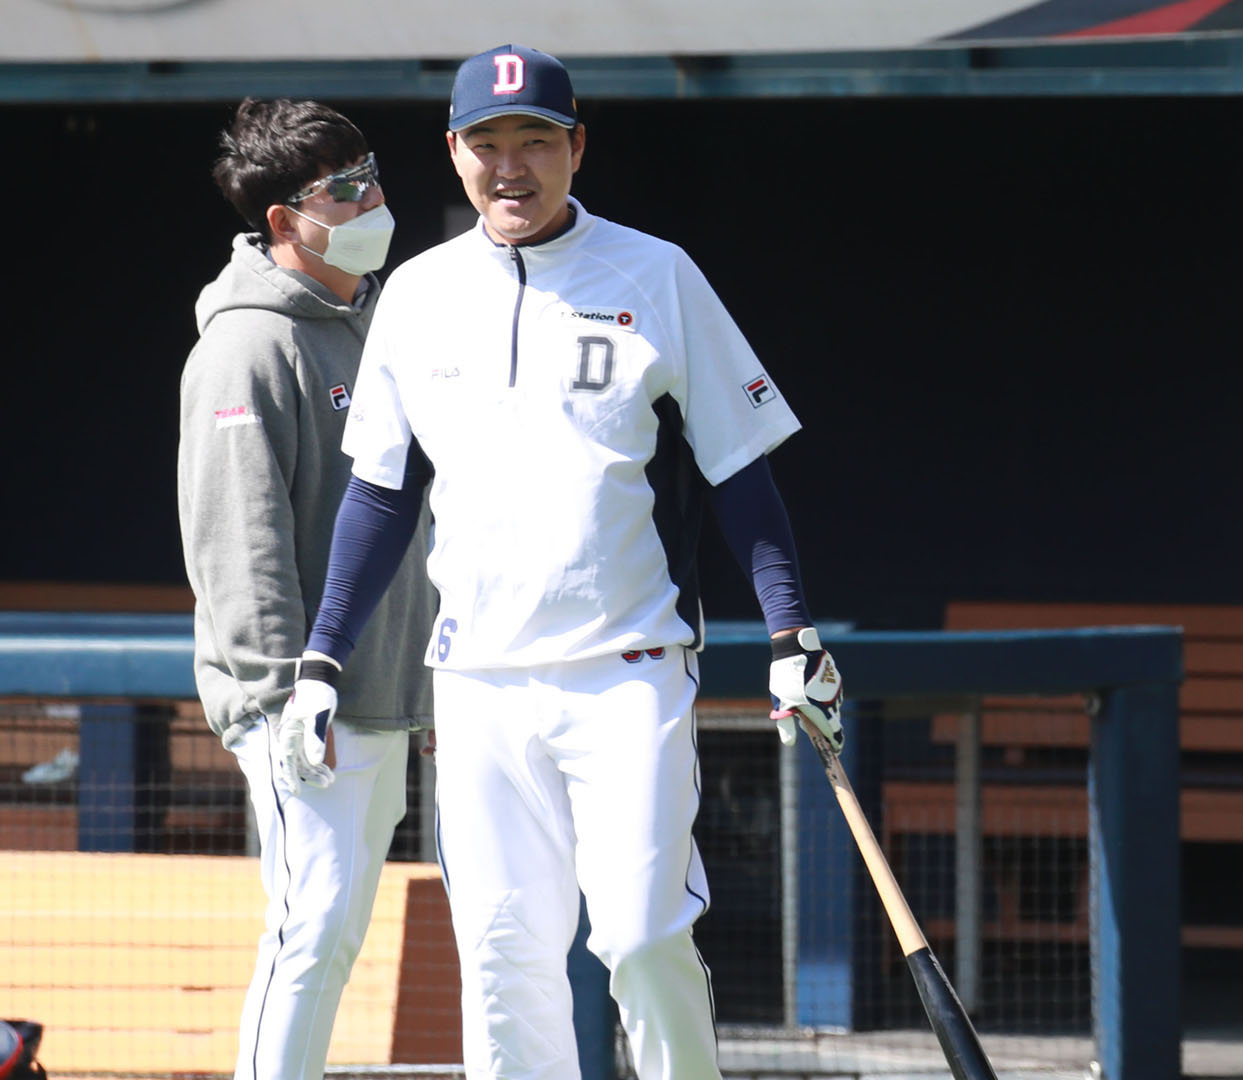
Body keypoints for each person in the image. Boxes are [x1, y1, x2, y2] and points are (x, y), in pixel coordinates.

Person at [272, 45, 846, 1080]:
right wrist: (322, 657)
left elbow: (740, 469)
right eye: (487, 143)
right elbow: (381, 494)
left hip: (628, 667)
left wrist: (791, 633)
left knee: (642, 939)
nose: (511, 167)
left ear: (577, 147)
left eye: (534, 141)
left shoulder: (657, 272)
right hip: (478, 680)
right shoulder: (416, 293)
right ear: (454, 153)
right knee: (504, 963)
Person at [177, 98, 436, 1080]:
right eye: (344, 189)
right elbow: (240, 540)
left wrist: (426, 686)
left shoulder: (378, 322)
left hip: (384, 693)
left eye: (371, 175)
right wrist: (287, 696)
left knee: (334, 934)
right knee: (310, 927)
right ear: (285, 219)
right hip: (304, 705)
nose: (372, 200)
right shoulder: (247, 344)